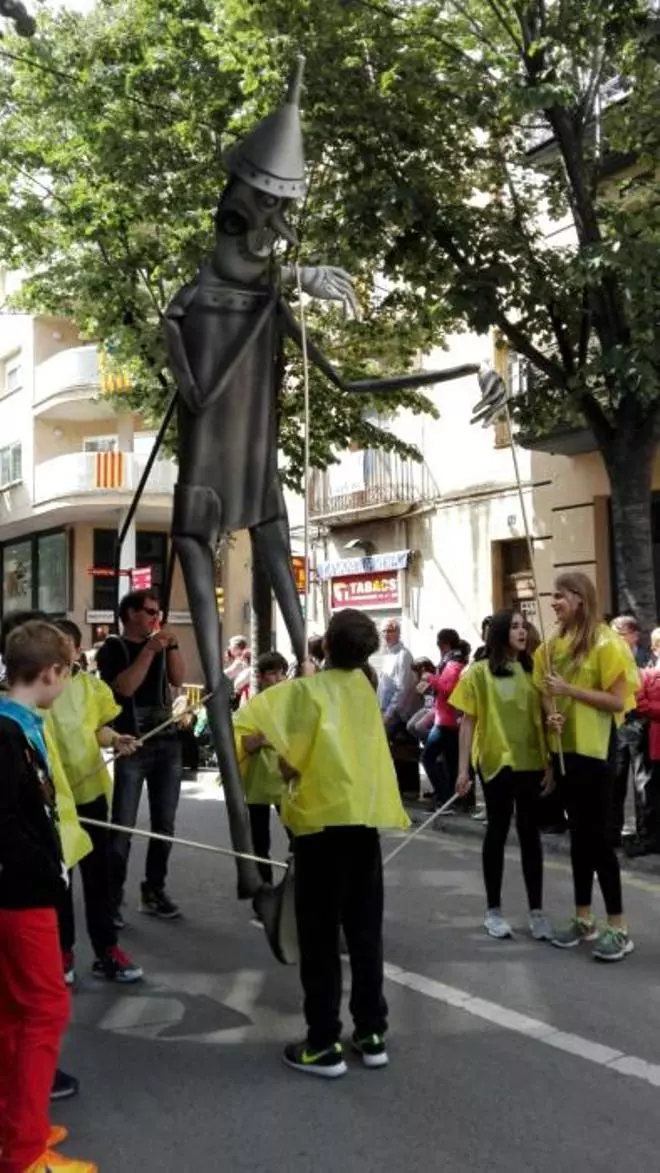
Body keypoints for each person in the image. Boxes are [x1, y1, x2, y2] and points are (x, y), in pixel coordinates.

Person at [237, 608, 409, 1078]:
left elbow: (242, 731)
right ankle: (372, 1033)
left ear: (325, 646)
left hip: (317, 829)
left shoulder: (302, 692)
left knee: (318, 940)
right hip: (363, 824)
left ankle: (323, 1042)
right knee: (365, 932)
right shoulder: (364, 690)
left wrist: (270, 755)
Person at [0, 620, 97, 1173]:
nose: (69, 681)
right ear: (52, 672)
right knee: (42, 1011)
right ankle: (25, 1153)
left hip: (21, 890)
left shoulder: (17, 725)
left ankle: (19, 1125)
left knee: (16, 1012)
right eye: (70, 670)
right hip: (23, 895)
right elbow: (8, 822)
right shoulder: (9, 733)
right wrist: (49, 866)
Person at [534, 573, 639, 962]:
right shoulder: (551, 644)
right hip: (566, 753)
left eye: (559, 595)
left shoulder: (607, 643)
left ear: (580, 598)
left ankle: (619, 928)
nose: (554, 602)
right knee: (578, 839)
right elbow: (544, 690)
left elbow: (617, 702)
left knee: (597, 842)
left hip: (597, 754)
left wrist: (570, 692)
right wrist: (552, 715)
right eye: (553, 595)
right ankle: (584, 920)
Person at [49, 620, 143, 986]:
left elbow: (98, 728)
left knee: (98, 879)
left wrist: (115, 739)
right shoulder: (37, 688)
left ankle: (107, 951)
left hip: (89, 797)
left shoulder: (91, 687)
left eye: (66, 646)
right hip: (53, 800)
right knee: (59, 881)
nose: (60, 653)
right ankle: (61, 951)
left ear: (77, 650)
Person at [451, 609, 553, 940]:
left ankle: (537, 912)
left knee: (530, 834)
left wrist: (550, 759)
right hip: (495, 762)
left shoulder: (535, 670)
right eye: (514, 627)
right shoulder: (477, 673)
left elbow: (545, 714)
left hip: (531, 761)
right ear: (499, 633)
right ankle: (493, 911)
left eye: (524, 627)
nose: (522, 632)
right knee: (497, 830)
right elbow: (468, 722)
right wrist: (463, 768)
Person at [96, 590, 186, 925]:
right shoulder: (112, 648)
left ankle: (154, 890)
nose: (154, 617)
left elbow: (177, 679)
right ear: (131, 613)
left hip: (167, 742)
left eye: (157, 611)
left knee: (165, 825)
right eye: (149, 611)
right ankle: (112, 897)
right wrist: (149, 651)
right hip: (132, 743)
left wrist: (172, 647)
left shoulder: (160, 644)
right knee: (123, 826)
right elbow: (125, 688)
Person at [234, 650, 290, 885]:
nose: (278, 679)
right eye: (272, 674)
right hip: (257, 782)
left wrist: (264, 738)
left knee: (298, 836)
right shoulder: (253, 707)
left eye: (281, 674)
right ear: (260, 676)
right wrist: (269, 739)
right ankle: (264, 889)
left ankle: (297, 887)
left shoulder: (293, 703)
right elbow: (245, 741)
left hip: (285, 781)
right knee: (259, 842)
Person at [609, 615, 651, 850]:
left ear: (633, 635)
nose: (616, 639)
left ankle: (643, 833)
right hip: (618, 725)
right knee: (616, 778)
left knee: (642, 781)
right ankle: (613, 832)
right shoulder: (611, 658)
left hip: (641, 724)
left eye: (620, 634)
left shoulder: (646, 659)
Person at [420, 630, 465, 808]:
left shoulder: (453, 664)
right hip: (448, 719)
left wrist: (430, 677)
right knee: (451, 761)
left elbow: (447, 689)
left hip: (446, 721)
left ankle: (444, 797)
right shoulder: (452, 662)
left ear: (444, 644)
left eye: (439, 644)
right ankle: (453, 800)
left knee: (428, 757)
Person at [632, 627, 660, 855]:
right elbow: (640, 705)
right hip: (655, 742)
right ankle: (652, 836)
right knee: (652, 791)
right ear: (655, 648)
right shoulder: (646, 675)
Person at [376, 619, 418, 732]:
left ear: (398, 632)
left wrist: (388, 715)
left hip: (396, 715)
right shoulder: (388, 654)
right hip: (384, 710)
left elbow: (402, 689)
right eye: (383, 631)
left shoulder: (403, 655)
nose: (386, 634)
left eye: (390, 630)